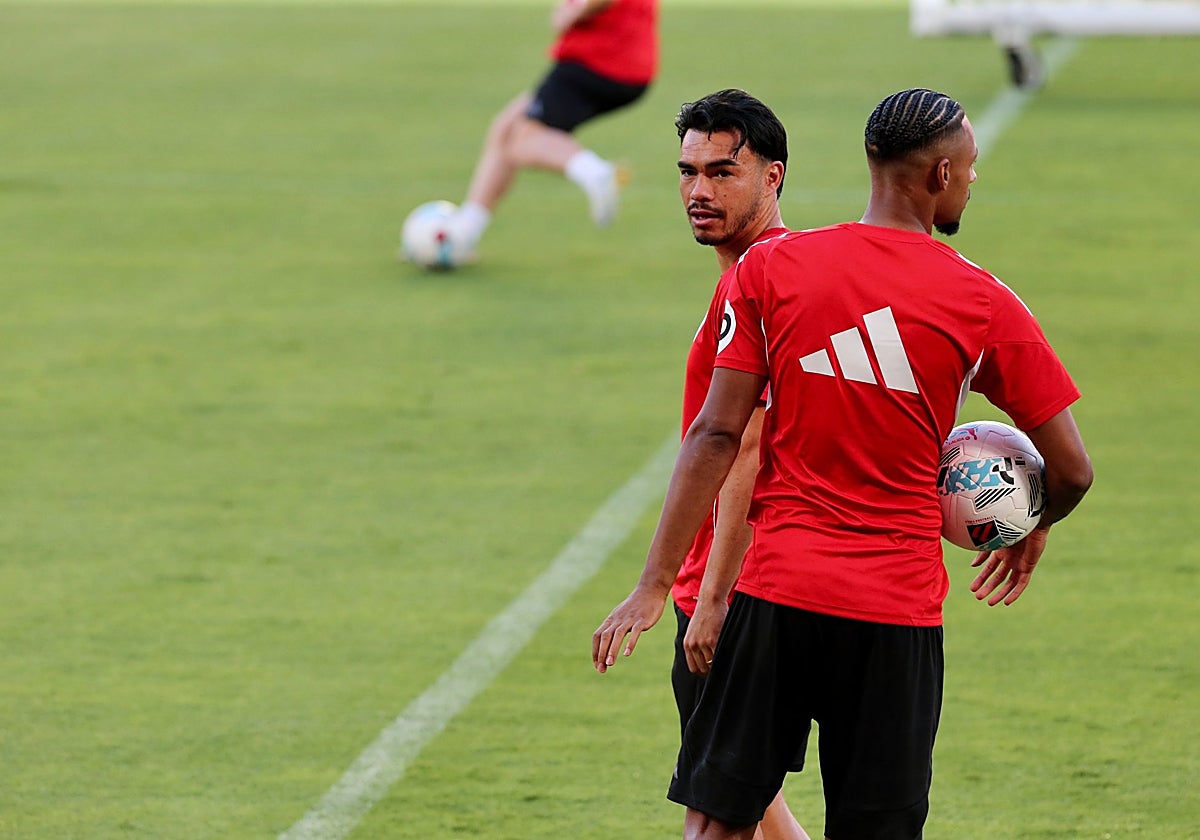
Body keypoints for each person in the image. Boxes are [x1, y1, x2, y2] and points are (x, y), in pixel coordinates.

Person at [593, 87, 1094, 839]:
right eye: (970, 167)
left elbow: (716, 437)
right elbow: (1075, 471)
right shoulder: (984, 301)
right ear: (941, 177)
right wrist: (1030, 520)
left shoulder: (774, 270)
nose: (972, 180)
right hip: (896, 614)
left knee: (718, 820)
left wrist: (656, 583)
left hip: (779, 593)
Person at [593, 89, 808, 840]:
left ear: (772, 177)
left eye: (723, 172)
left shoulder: (761, 280)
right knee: (748, 800)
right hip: (752, 578)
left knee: (715, 816)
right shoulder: (766, 274)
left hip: (736, 584)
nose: (698, 191)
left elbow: (745, 446)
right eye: (688, 171)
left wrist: (706, 594)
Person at [447, 0, 657, 259]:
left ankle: (597, 173)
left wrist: (573, 11)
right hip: (623, 62)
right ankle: (465, 232)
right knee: (506, 128)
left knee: (522, 139)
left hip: (598, 59)